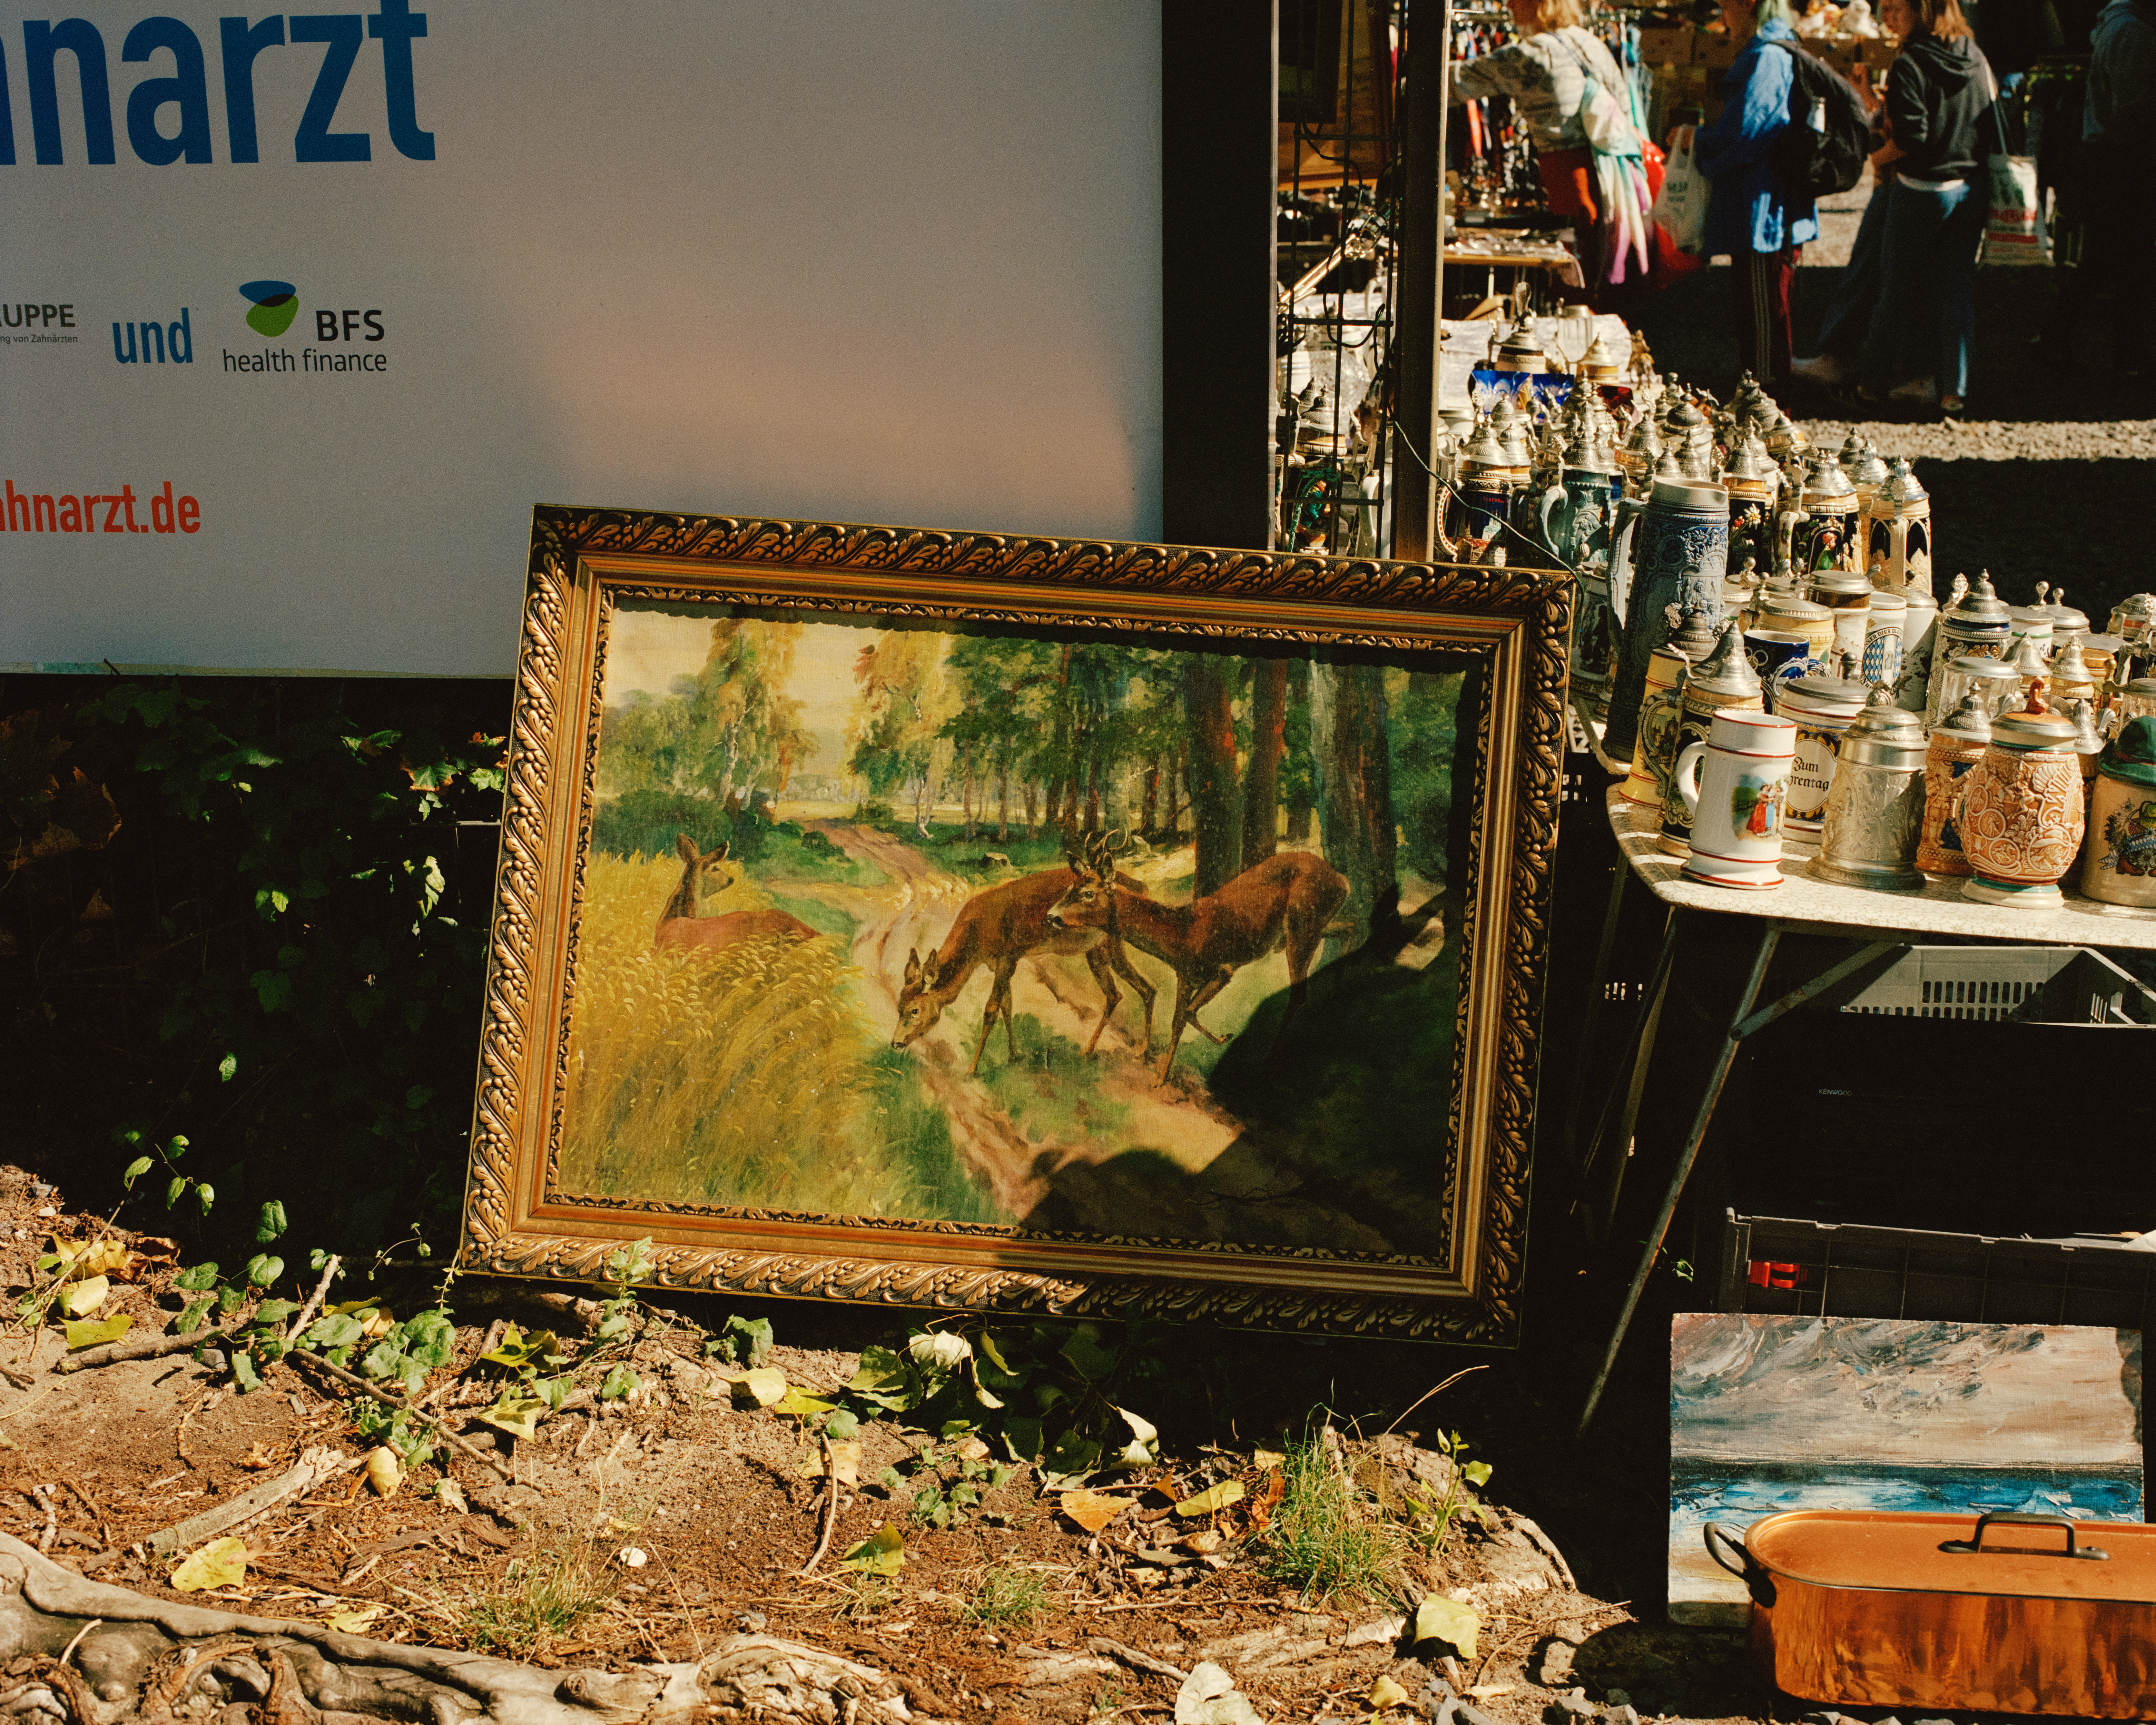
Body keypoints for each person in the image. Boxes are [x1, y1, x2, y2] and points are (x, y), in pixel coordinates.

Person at [1845, 0, 1992, 415]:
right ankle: (1954, 391)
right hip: (1969, 187)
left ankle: (1871, 387)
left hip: (1922, 189)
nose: (1886, 18)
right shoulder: (1975, 57)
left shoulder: (1911, 63)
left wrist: (1875, 160)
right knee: (1956, 286)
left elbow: (1913, 135)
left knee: (1895, 289)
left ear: (1921, 11)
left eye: (1895, 8)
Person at [1450, 0, 1650, 305]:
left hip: (1568, 179)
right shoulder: (1590, 44)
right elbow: (1623, 105)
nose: (1509, 5)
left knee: (1571, 276)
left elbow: (1453, 84)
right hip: (1613, 172)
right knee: (1603, 267)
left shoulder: (1531, 54)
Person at [1672, 0, 1821, 397]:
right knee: (1762, 311)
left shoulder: (1767, 57)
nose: (1721, 12)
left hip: (1765, 214)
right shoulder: (1775, 49)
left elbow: (1746, 135)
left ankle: (1768, 409)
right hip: (1766, 208)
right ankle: (1763, 402)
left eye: (1725, 3)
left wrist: (1693, 138)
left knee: (1764, 316)